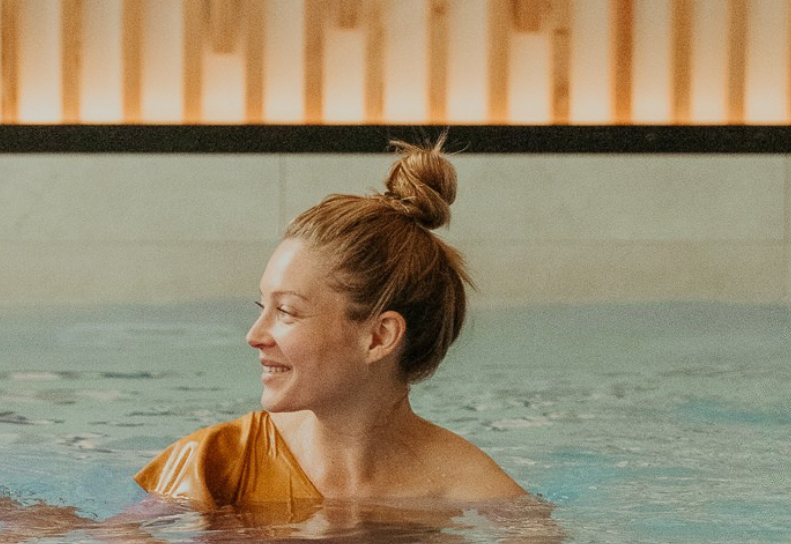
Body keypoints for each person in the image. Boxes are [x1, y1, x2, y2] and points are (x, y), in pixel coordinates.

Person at [136, 138, 526, 509]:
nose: (254, 336)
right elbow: (124, 541)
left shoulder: (474, 492)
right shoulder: (220, 463)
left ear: (378, 336)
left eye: (286, 311)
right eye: (262, 307)